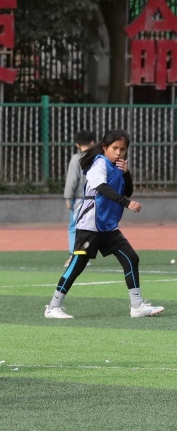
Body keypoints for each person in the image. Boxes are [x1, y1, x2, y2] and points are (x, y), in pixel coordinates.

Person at [44, 129, 163, 320]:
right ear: (105, 147)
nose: (119, 152)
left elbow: (127, 191)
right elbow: (102, 188)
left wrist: (126, 174)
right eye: (115, 148)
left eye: (122, 149)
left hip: (108, 226)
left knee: (131, 258)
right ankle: (52, 307)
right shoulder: (99, 163)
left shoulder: (118, 166)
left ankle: (137, 306)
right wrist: (126, 203)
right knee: (77, 265)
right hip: (90, 226)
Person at [63, 130, 96, 268]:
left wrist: (68, 196)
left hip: (80, 198)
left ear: (77, 144)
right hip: (96, 197)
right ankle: (85, 254)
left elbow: (72, 179)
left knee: (74, 227)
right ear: (92, 143)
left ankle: (74, 255)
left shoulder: (76, 159)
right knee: (90, 227)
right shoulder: (98, 158)